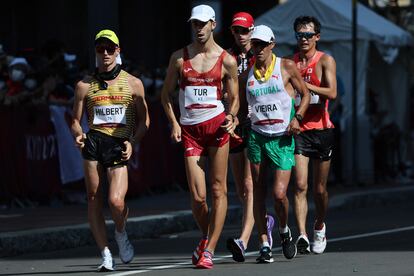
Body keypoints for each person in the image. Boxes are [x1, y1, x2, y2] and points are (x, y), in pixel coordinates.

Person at [161, 4, 239, 269]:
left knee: (218, 188)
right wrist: (173, 123)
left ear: (213, 24)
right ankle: (208, 235)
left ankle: (210, 249)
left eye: (203, 23)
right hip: (191, 131)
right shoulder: (179, 58)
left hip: (217, 128)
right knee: (198, 197)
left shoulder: (227, 60)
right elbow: (165, 94)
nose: (199, 28)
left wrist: (232, 116)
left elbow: (236, 98)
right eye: (195, 23)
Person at [71, 29, 149, 271]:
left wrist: (132, 142)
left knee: (116, 201)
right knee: (94, 197)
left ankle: (120, 232)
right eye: (100, 49)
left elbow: (145, 121)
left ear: (118, 51)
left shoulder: (133, 84)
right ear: (95, 52)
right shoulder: (84, 85)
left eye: (109, 48)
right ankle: (105, 253)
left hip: (118, 145)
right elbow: (75, 119)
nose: (105, 53)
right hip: (94, 142)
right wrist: (78, 134)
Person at [239, 25, 310, 263]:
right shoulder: (246, 74)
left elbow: (306, 94)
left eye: (262, 44)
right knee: (257, 191)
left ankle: (283, 230)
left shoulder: (286, 66)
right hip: (258, 137)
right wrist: (239, 120)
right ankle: (264, 244)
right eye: (254, 44)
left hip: (282, 138)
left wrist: (297, 118)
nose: (257, 49)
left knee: (279, 194)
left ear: (272, 45)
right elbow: (241, 107)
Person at [225, 12, 274, 263]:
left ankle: (243, 241)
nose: (241, 36)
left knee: (249, 184)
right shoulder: (226, 57)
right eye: (237, 31)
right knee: (241, 190)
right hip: (233, 124)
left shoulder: (261, 54)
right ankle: (264, 219)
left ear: (253, 30)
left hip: (255, 123)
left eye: (245, 31)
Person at [290, 16, 337, 254]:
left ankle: (319, 225)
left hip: (322, 130)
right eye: (299, 35)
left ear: (317, 36)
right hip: (300, 130)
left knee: (319, 190)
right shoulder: (291, 62)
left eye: (308, 35)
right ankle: (302, 235)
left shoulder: (325, 60)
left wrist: (307, 87)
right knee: (299, 185)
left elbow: (332, 92)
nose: (304, 39)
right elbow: (287, 93)